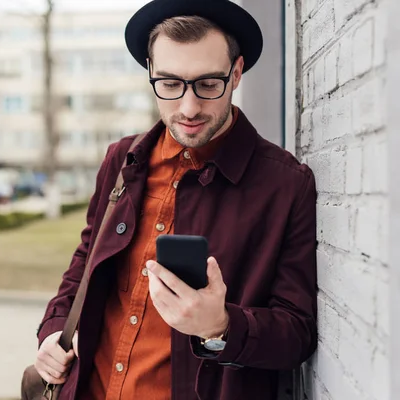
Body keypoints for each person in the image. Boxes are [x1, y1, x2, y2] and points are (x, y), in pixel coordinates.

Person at [33, 0, 318, 399]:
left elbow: (297, 334)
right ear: (151, 73)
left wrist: (220, 325)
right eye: (169, 83)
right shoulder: (122, 160)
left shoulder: (286, 184)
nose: (188, 107)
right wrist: (53, 330)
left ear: (236, 74)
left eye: (207, 84)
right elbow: (84, 263)